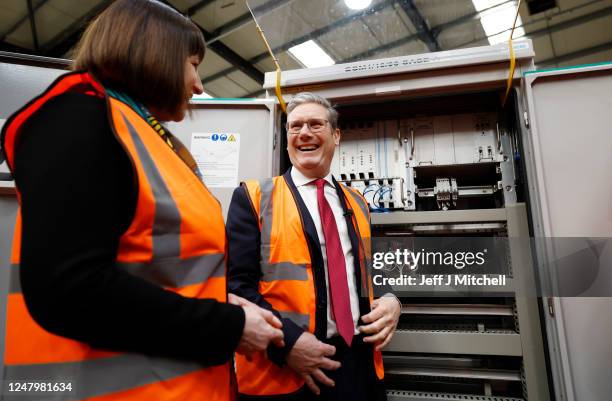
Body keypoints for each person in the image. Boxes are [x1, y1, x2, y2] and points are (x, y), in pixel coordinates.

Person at [0, 1, 283, 400]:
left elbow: (150, 267)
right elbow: (70, 289)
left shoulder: (140, 133)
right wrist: (228, 325)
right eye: (193, 64)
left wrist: (216, 298)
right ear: (157, 55)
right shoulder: (80, 119)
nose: (199, 85)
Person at [227, 92, 401, 401]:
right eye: (295, 127)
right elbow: (237, 287)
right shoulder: (253, 198)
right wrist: (289, 344)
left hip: (357, 364)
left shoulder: (358, 202)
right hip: (286, 368)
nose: (303, 133)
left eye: (315, 124)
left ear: (336, 135)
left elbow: (374, 272)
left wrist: (391, 301)